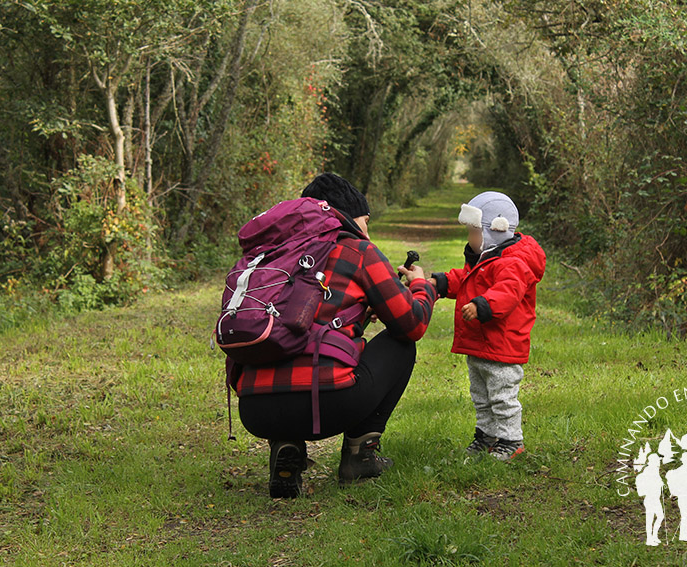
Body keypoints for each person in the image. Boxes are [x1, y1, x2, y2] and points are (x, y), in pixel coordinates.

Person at [230, 173, 437, 498]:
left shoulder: (269, 253)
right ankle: (359, 455)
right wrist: (423, 286)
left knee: (280, 356)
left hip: (255, 410)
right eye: (365, 220)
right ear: (346, 216)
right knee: (401, 344)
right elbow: (412, 322)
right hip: (326, 405)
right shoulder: (357, 249)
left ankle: (285, 445)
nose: (367, 230)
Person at [430, 191, 546, 460]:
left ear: (495, 230)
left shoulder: (514, 262)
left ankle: (511, 439)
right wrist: (441, 282)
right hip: (481, 345)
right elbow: (467, 279)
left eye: (473, 231)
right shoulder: (488, 256)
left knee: (502, 396)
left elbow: (507, 292)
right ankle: (487, 434)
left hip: (501, 344)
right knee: (481, 396)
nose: (469, 238)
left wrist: (483, 306)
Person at [635, 452, 665, 546]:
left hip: (656, 498)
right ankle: (649, 539)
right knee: (650, 518)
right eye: (657, 461)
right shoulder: (648, 472)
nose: (659, 463)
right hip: (650, 499)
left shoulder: (655, 471)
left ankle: (654, 536)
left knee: (660, 516)